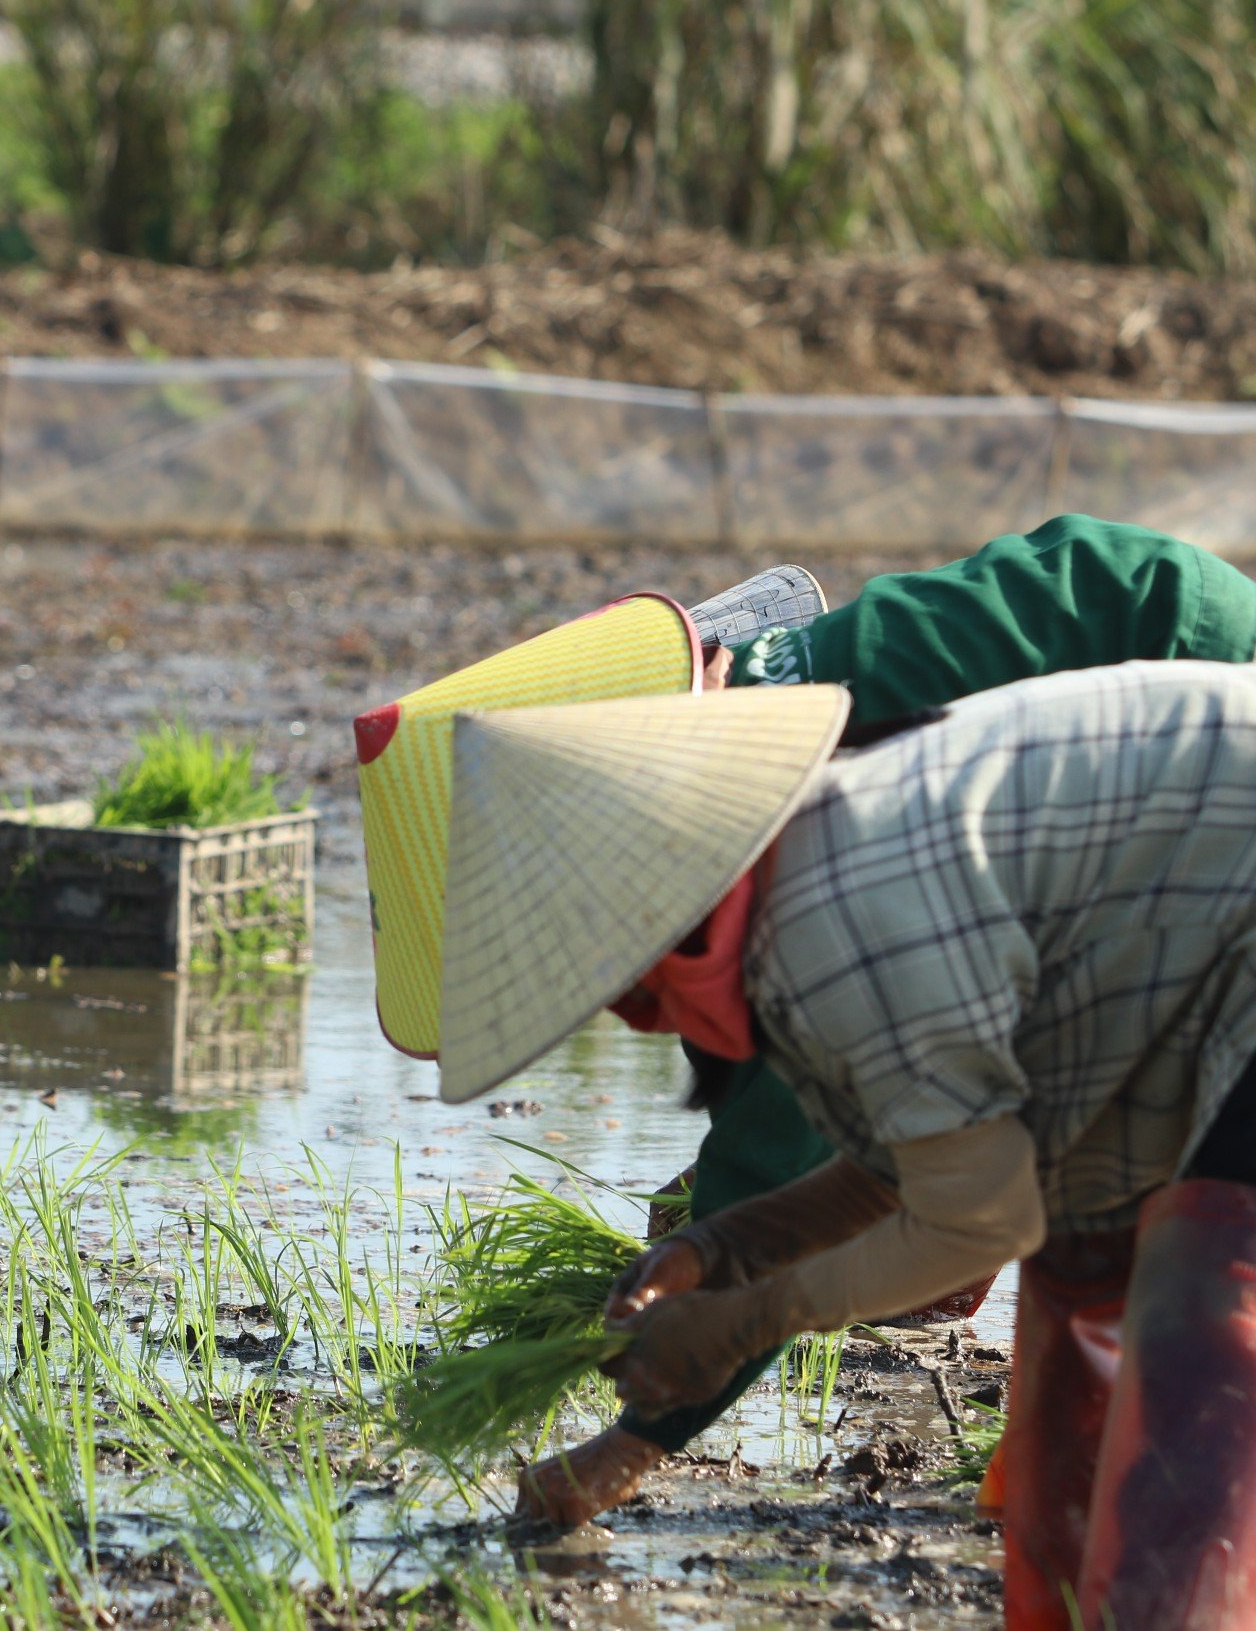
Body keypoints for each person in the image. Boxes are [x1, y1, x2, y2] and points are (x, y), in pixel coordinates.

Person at [429, 665, 1256, 1630]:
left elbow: (978, 1219)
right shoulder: (798, 874)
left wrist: (749, 1318)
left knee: (1199, 1384)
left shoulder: (839, 921)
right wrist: (716, 1250)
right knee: (1072, 1415)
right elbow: (922, 1159)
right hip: (1194, 946)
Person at [518, 514, 1256, 1525]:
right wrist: (716, 1250)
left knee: (1189, 1321)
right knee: (1059, 1222)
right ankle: (1059, 1507)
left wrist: (663, 1407)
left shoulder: (824, 914)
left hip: (1200, 775)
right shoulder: (780, 778)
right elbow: (887, 1161)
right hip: (1157, 753)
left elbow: (949, 1203)